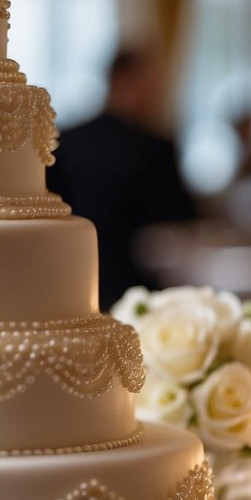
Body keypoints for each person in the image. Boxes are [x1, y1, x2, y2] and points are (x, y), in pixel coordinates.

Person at [47, 47, 196, 310]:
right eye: (153, 81)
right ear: (128, 79)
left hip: (69, 281)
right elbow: (182, 217)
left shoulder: (66, 140)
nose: (157, 91)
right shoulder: (155, 148)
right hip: (138, 289)